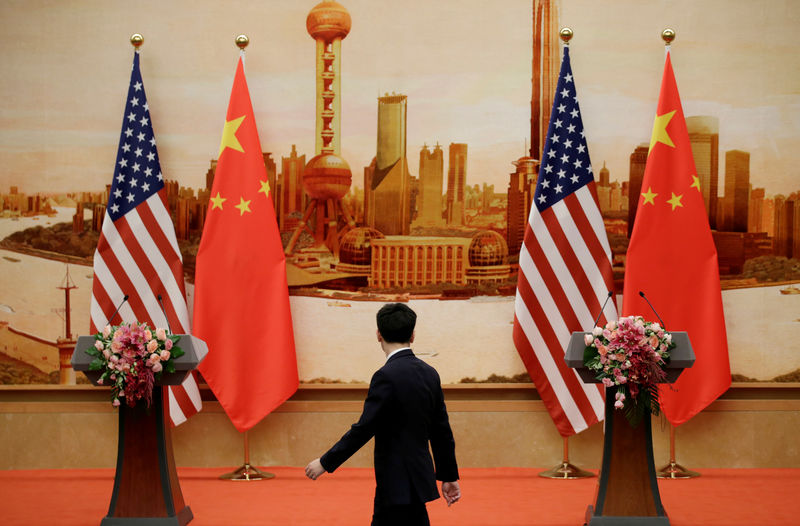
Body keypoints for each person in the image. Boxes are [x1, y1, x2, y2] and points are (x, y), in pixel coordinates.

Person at [305, 303, 461, 525]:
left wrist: (325, 462)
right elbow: (441, 431)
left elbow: (364, 428)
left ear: (378, 335)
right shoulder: (430, 373)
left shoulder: (385, 376)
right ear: (413, 335)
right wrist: (449, 476)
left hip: (395, 480)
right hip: (417, 477)